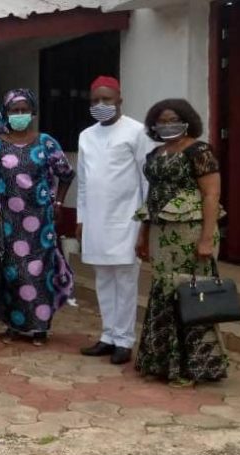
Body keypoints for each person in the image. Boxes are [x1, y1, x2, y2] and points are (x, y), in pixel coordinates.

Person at [0, 88, 75, 346]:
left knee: (39, 271)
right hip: (9, 222)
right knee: (14, 273)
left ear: (33, 112)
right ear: (6, 113)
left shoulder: (46, 142)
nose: (20, 115)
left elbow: (66, 173)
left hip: (41, 220)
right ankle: (15, 324)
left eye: (25, 110)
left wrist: (58, 202)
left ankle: (40, 328)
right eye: (15, 110)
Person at [133, 99, 227, 387]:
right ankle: (161, 362)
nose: (167, 124)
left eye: (173, 119)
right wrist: (143, 234)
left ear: (187, 120)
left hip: (192, 232)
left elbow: (211, 195)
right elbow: (153, 197)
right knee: (163, 292)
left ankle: (192, 367)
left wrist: (206, 239)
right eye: (161, 121)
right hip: (162, 234)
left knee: (190, 294)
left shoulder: (199, 151)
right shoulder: (155, 153)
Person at [76, 76, 154, 365]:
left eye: (106, 100)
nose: (101, 105)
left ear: (119, 99)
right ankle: (108, 336)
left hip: (127, 220)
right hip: (96, 220)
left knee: (125, 280)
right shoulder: (86, 135)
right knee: (103, 280)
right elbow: (83, 182)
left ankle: (124, 340)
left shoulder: (137, 132)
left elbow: (147, 180)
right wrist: (82, 219)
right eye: (95, 101)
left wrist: (145, 224)